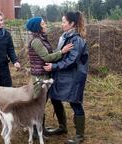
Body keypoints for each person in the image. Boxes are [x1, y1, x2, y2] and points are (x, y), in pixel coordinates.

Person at [43, 11, 88, 144]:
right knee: (55, 99)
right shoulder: (65, 36)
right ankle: (62, 127)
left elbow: (72, 61)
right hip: (62, 75)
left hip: (74, 76)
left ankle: (80, 136)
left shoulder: (77, 40)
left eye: (64, 22)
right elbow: (61, 55)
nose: (61, 24)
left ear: (72, 24)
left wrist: (54, 67)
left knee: (75, 103)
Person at [25, 16, 73, 137]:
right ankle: (36, 131)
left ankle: (41, 129)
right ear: (38, 27)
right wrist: (62, 52)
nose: (45, 25)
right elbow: (46, 57)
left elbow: (49, 55)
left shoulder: (41, 38)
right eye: (43, 24)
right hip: (40, 76)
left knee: (42, 102)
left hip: (44, 74)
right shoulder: (36, 41)